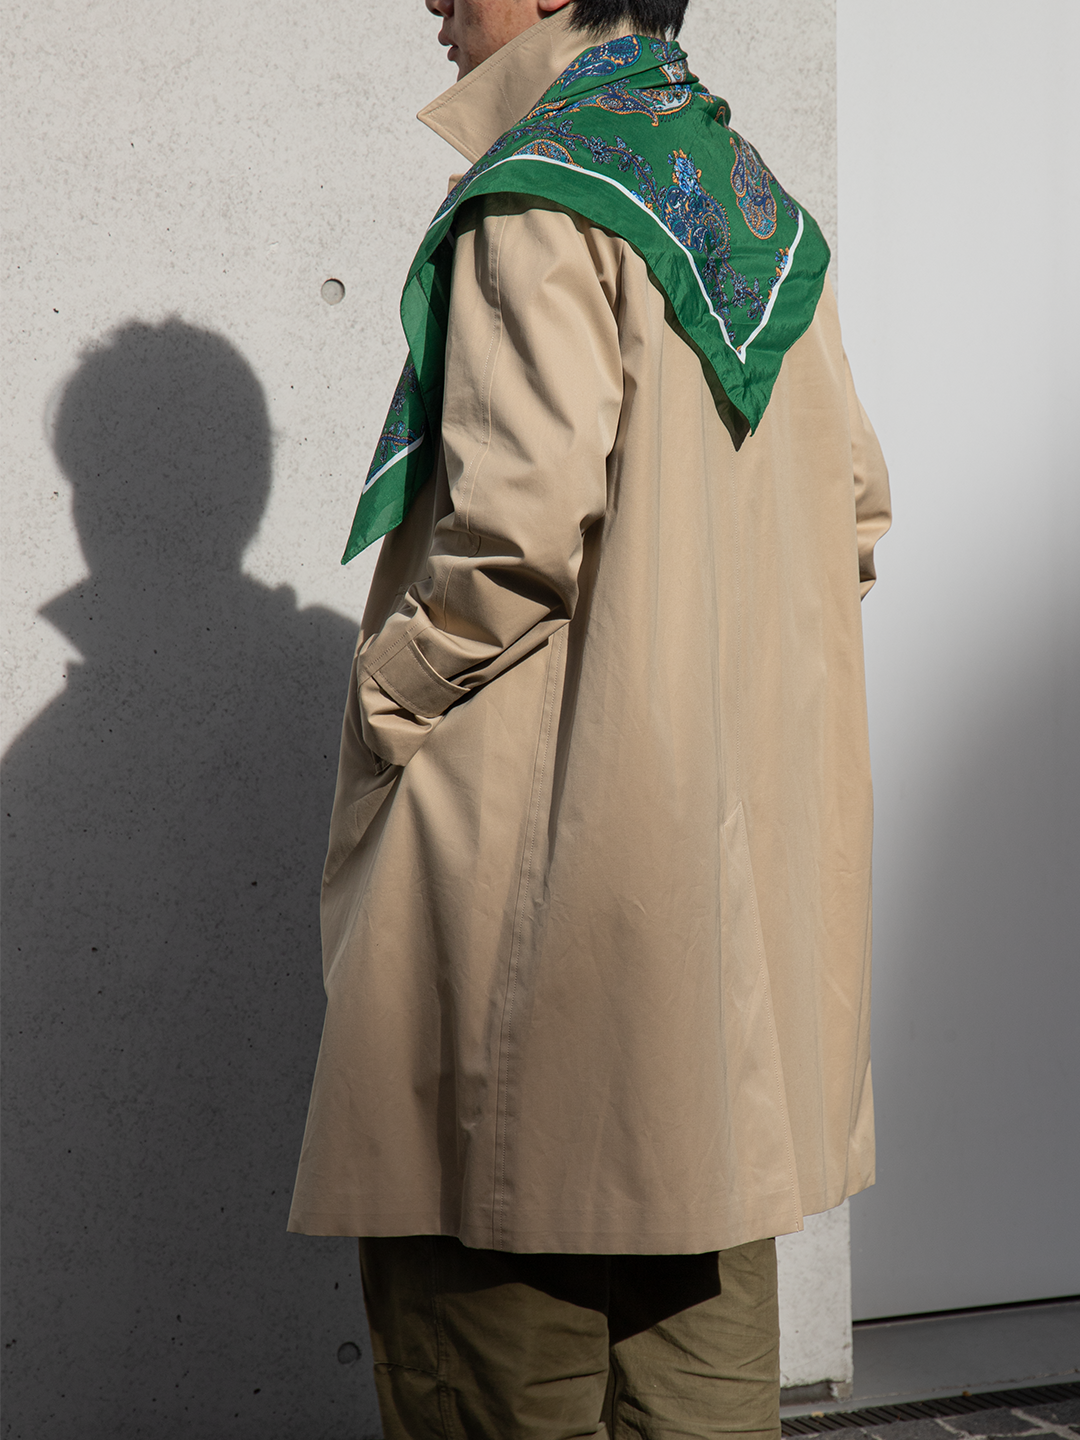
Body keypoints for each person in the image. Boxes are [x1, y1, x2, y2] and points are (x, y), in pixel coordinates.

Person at [289, 0, 891, 1435]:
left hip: (533, 913)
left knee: (490, 1354)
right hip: (702, 952)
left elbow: (514, 530)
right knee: (698, 1375)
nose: (431, 3)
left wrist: (383, 700)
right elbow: (857, 510)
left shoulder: (541, 195)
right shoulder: (754, 209)